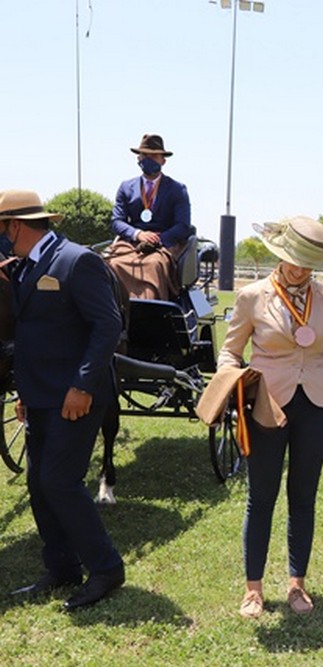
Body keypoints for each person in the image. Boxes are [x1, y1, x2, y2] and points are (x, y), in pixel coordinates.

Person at [0, 190, 125, 610]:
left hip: (76, 395)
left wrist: (84, 386)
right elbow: (30, 335)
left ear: (15, 226)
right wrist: (25, 394)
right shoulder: (24, 267)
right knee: (38, 483)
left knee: (59, 480)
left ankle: (106, 568)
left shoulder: (76, 261)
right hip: (39, 395)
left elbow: (107, 326)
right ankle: (62, 568)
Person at [215, 216, 323, 618]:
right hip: (266, 406)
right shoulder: (252, 297)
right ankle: (253, 589)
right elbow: (230, 350)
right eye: (293, 260)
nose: (299, 270)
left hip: (317, 405)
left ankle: (297, 585)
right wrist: (231, 381)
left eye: (307, 263)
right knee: (261, 497)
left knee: (303, 497)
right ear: (280, 256)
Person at [107, 133, 192, 300]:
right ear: (138, 159)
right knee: (113, 263)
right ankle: (115, 311)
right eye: (144, 155)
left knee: (153, 265)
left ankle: (150, 311)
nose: (148, 159)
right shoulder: (126, 187)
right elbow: (117, 221)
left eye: (154, 156)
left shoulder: (177, 189)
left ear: (163, 160)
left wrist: (157, 239)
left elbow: (183, 226)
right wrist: (138, 234)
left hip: (163, 243)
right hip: (132, 241)